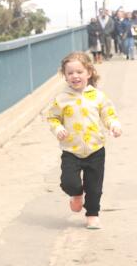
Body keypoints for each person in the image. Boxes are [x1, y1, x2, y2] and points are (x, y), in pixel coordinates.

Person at [43, 52, 122, 230]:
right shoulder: (61, 99)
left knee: (94, 187)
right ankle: (76, 194)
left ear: (89, 72)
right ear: (65, 76)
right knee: (69, 182)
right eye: (70, 73)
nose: (75, 76)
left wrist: (114, 125)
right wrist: (58, 128)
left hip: (96, 149)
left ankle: (92, 215)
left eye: (79, 72)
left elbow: (108, 114)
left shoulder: (98, 96)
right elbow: (52, 118)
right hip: (71, 150)